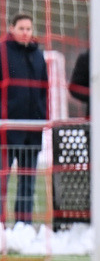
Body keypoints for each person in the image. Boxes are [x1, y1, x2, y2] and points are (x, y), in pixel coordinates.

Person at [0, 13, 48, 224]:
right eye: (21, 28)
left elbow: (44, 90)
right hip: (7, 130)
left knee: (28, 182)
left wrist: (43, 117)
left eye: (29, 28)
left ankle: (24, 227)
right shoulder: (2, 52)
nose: (26, 32)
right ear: (11, 28)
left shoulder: (38, 55)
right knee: (3, 181)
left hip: (32, 130)